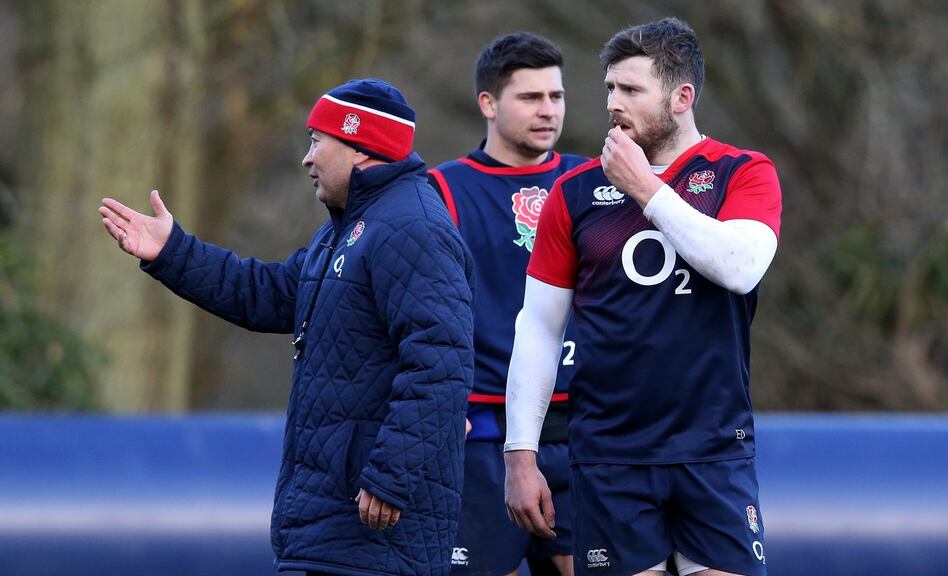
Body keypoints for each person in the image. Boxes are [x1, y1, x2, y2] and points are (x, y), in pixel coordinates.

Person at [99, 79, 475, 576]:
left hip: (375, 538)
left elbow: (441, 364)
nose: (307, 158)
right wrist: (174, 253)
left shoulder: (413, 228)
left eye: (318, 141)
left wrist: (389, 477)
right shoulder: (347, 230)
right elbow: (265, 294)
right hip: (330, 531)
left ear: (361, 146)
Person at [503, 18, 782, 576]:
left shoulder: (741, 173)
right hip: (611, 456)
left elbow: (739, 267)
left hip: (712, 451)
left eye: (631, 90)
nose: (613, 103)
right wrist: (520, 453)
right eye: (610, 88)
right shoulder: (575, 192)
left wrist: (645, 188)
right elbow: (538, 328)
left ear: (682, 97)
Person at [428, 32, 587, 576]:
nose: (548, 110)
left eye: (556, 96)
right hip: (484, 430)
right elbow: (415, 315)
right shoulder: (441, 191)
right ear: (489, 104)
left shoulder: (596, 184)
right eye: (531, 97)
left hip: (585, 425)